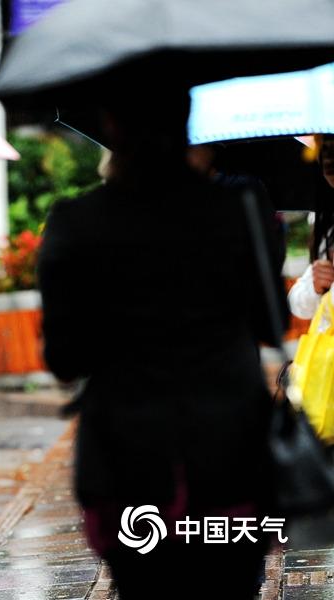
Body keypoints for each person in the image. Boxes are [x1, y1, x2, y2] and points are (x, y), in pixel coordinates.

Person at [37, 88, 288, 599]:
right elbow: (273, 321)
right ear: (191, 121)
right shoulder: (240, 211)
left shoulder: (76, 222)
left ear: (109, 123)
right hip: (231, 457)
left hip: (124, 465)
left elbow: (64, 358)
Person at [288, 134, 334, 328]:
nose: (329, 159)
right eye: (325, 150)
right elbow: (296, 302)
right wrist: (316, 285)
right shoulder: (327, 222)